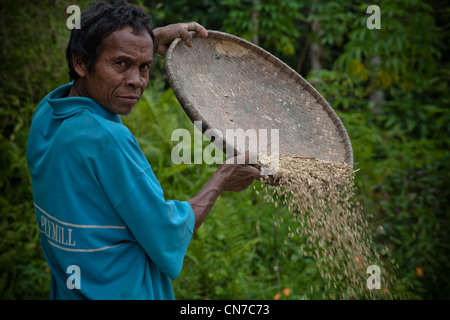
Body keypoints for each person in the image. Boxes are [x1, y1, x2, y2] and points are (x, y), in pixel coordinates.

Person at [26, 0, 268, 300]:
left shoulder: (48, 115)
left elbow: (94, 62)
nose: (137, 82)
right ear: (80, 63)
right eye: (121, 64)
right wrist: (222, 178)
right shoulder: (106, 139)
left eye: (144, 67)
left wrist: (146, 41)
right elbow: (166, 232)